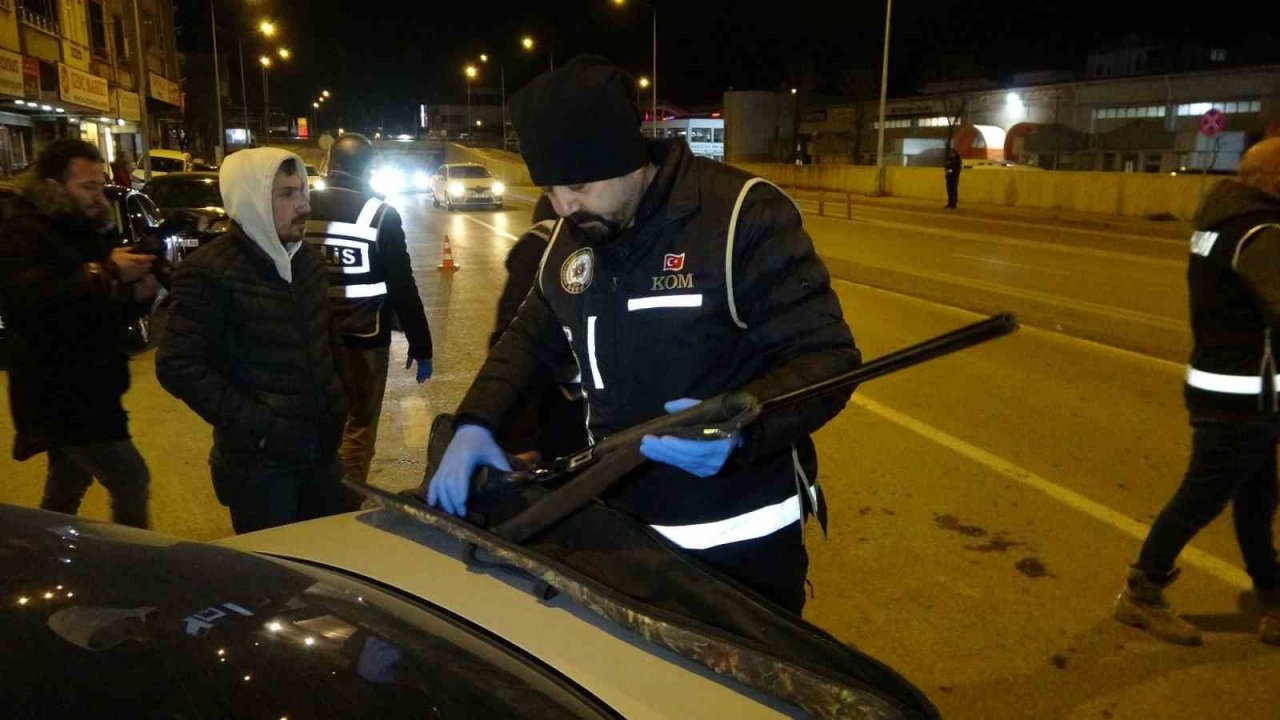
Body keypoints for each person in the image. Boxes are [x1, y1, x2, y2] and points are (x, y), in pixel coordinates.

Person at [427, 56, 860, 613]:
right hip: (621, 537)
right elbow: (531, 336)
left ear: (628, 159)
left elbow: (829, 359)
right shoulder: (574, 236)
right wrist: (476, 421)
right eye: (551, 189)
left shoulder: (739, 218)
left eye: (577, 185)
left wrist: (746, 427)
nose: (563, 206)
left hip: (740, 553)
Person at [1113, 138, 1280, 646]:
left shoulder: (1221, 220)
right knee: (1202, 496)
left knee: (1256, 498)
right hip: (1240, 395)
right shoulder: (1261, 230)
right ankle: (1142, 593)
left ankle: (1273, 595)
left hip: (1242, 389)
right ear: (1271, 179)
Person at [156, 147, 350, 534]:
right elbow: (176, 365)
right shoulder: (210, 271)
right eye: (286, 194)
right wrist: (260, 425)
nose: (302, 205)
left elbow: (324, 338)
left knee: (331, 572)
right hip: (261, 470)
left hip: (320, 455)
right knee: (276, 581)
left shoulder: (307, 261)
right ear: (252, 200)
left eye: (302, 191)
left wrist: (338, 397)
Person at [0, 139, 158, 528]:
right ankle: (133, 568)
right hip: (61, 390)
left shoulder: (84, 228)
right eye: (87, 186)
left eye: (100, 185)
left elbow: (95, 308)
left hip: (91, 385)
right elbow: (33, 300)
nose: (97, 195)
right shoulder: (24, 231)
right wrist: (107, 273)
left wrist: (135, 295)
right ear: (54, 186)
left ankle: (40, 558)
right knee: (130, 477)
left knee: (67, 482)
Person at [304, 132, 434, 483]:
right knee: (358, 426)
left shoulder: (302, 207)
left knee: (315, 421)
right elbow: (402, 286)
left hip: (309, 338)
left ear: (330, 165)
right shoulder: (379, 214)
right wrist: (421, 345)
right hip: (364, 340)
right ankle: (344, 504)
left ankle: (316, 495)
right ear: (369, 169)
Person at [487, 193, 586, 462]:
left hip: (570, 410)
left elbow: (508, 333)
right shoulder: (546, 247)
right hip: (566, 409)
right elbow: (519, 341)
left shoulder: (536, 245)